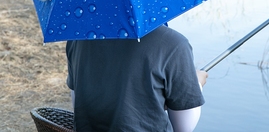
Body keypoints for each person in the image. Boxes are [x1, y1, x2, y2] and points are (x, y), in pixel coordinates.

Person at [66, 24, 208, 131]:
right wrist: (196, 84)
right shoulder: (174, 44)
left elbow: (78, 101)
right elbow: (183, 128)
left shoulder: (79, 37)